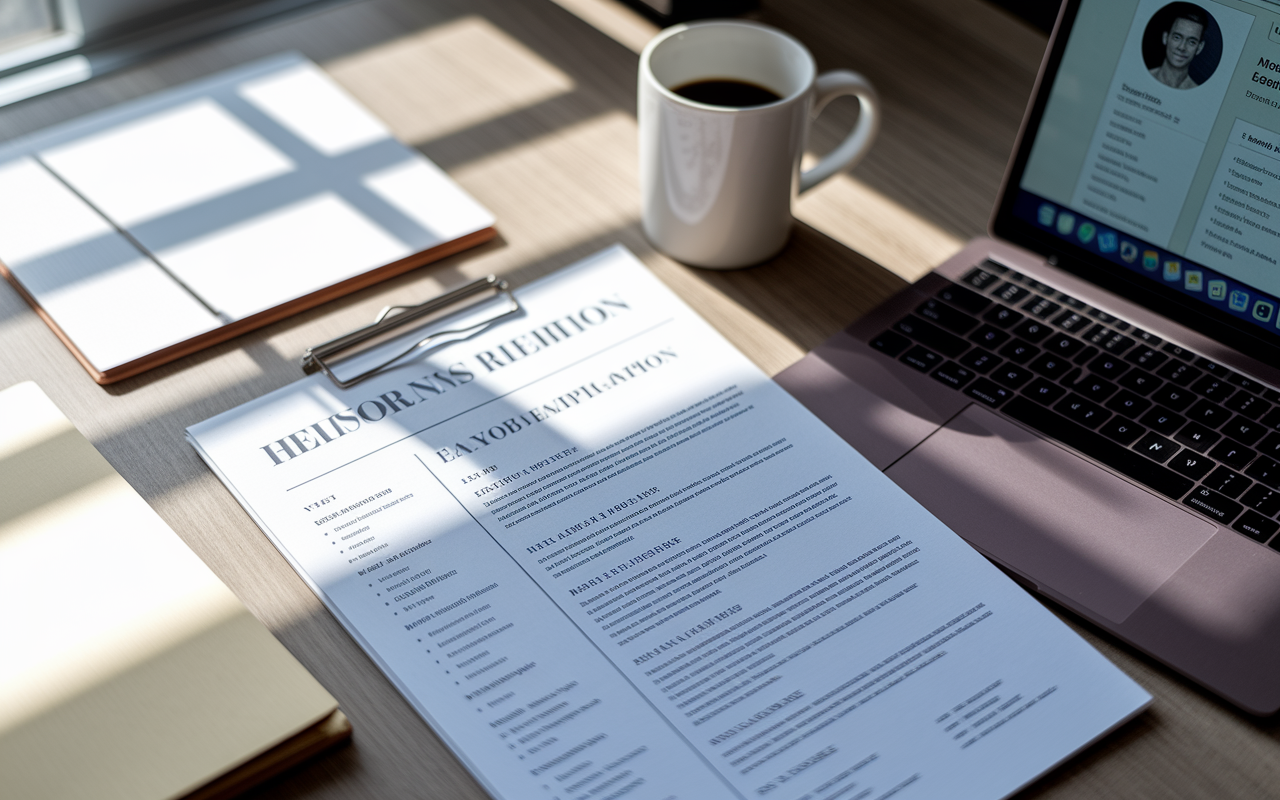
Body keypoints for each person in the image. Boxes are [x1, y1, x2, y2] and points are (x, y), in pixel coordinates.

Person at [1150, 10, 1208, 89]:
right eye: (1177, 37)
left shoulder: (1199, 93)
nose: (1182, 47)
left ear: (1199, 48)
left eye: (1192, 42)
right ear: (1165, 38)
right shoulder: (1140, 76)